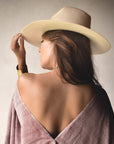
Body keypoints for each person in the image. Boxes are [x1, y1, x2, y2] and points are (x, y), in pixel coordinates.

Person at [5, 7, 114, 144]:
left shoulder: (26, 83)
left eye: (42, 41)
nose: (39, 49)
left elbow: (23, 109)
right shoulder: (99, 98)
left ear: (59, 43)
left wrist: (21, 63)